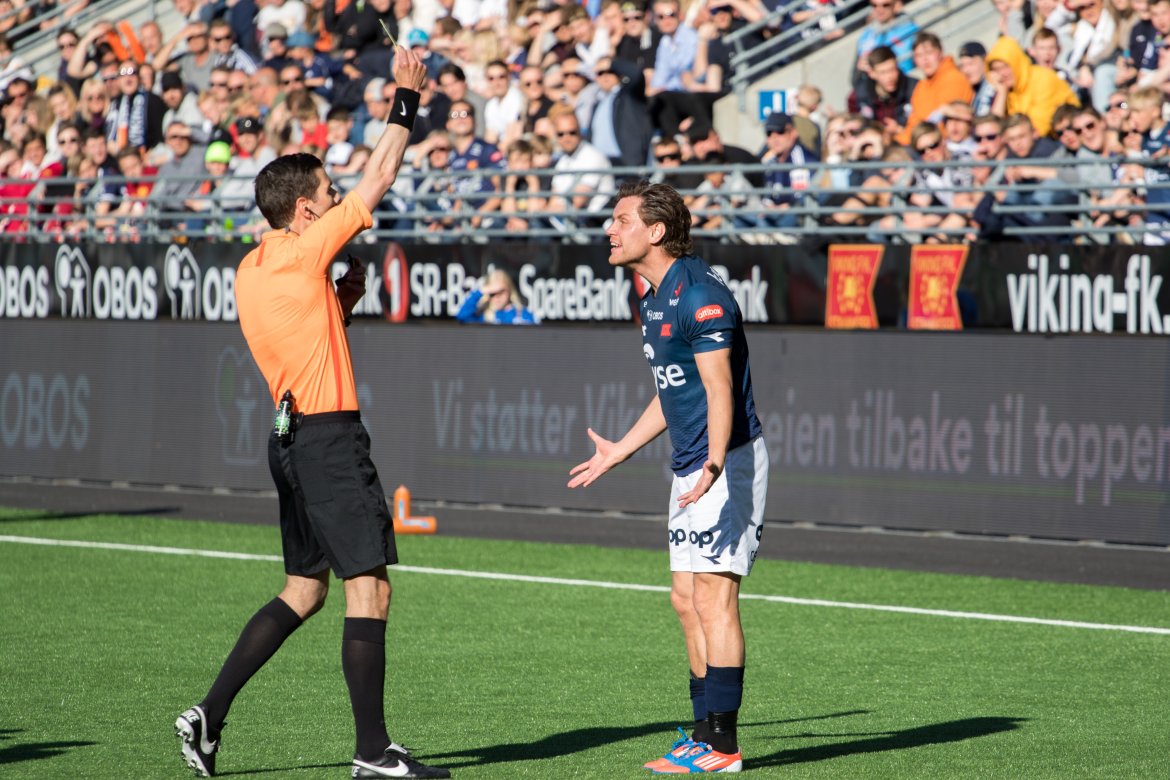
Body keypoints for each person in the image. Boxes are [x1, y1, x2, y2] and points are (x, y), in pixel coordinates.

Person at [173, 46, 450, 780]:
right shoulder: (305, 251)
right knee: (371, 588)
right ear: (303, 210)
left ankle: (208, 716)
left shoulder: (252, 266)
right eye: (327, 193)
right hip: (327, 440)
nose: (335, 200)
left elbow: (302, 334)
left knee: (304, 590)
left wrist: (342, 302)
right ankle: (373, 754)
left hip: (288, 438)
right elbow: (380, 176)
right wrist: (405, 98)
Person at [568, 178, 767, 775]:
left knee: (713, 597)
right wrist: (620, 450)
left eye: (622, 220)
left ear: (655, 232)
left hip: (725, 462)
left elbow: (718, 388)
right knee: (685, 600)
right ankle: (702, 734)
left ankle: (723, 746)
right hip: (691, 465)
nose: (610, 229)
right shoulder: (655, 296)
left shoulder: (700, 294)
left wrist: (713, 464)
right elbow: (672, 388)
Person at [455, 268, 538, 323]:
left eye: (501, 292)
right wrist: (481, 291)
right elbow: (462, 316)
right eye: (493, 294)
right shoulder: (484, 317)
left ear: (509, 290)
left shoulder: (523, 315)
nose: (497, 297)